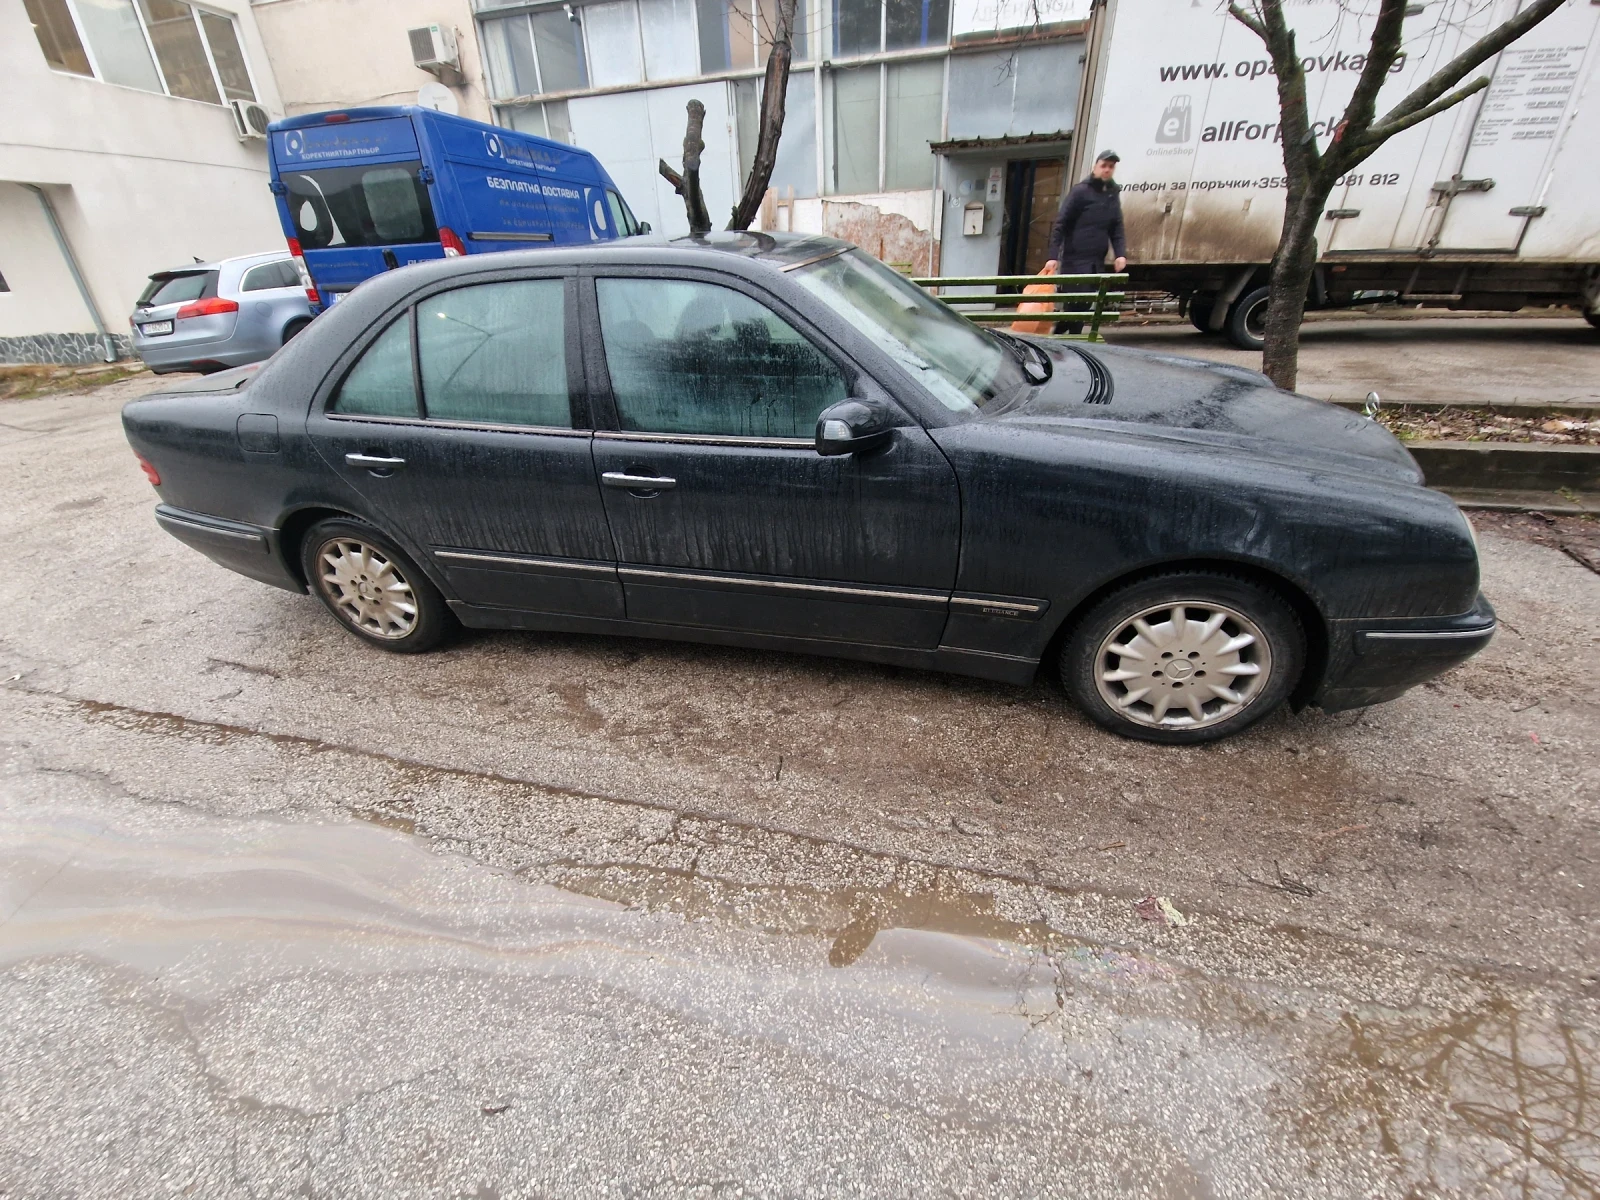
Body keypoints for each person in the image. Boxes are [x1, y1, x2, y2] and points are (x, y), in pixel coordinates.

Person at [1044, 150, 1127, 333]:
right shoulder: (1081, 191)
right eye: (1103, 165)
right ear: (1095, 167)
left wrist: (1120, 254)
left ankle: (1059, 337)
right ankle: (1067, 340)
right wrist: (1053, 256)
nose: (1107, 170)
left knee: (1082, 306)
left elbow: (1116, 226)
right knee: (1076, 306)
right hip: (1075, 260)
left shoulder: (1112, 193)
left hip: (1096, 262)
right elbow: (1061, 223)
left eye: (1111, 167)